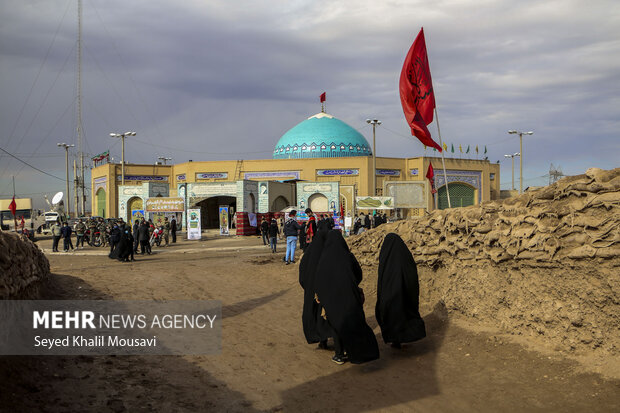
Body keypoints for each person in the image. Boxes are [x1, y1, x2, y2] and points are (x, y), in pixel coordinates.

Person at [314, 230, 379, 365]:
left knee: (336, 324)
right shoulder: (348, 256)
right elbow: (358, 274)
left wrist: (322, 295)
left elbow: (319, 279)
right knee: (352, 322)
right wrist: (351, 284)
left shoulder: (324, 258)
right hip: (349, 295)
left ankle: (339, 354)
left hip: (331, 298)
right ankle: (355, 351)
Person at [375, 233, 426, 348]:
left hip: (390, 294)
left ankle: (395, 339)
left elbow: (382, 277)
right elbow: (412, 275)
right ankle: (400, 338)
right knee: (404, 313)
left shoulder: (386, 256)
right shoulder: (405, 256)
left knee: (392, 315)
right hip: (405, 294)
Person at [299, 229, 331, 349]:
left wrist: (308, 288)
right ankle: (326, 338)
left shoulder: (309, 254)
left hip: (311, 291)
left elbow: (302, 274)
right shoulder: (327, 252)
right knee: (323, 315)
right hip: (324, 292)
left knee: (313, 314)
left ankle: (320, 339)